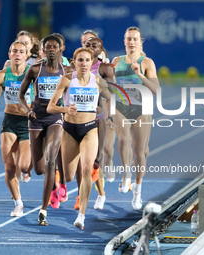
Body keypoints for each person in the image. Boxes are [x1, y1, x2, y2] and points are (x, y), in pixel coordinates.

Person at [47, 47, 111, 229]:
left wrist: (109, 115)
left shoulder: (98, 81)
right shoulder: (67, 80)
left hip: (90, 129)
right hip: (69, 130)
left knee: (85, 170)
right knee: (68, 175)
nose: (83, 64)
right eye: (80, 60)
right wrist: (65, 109)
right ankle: (64, 184)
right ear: (74, 62)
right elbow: (51, 107)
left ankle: (81, 215)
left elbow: (110, 99)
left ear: (92, 63)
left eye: (87, 60)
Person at [18, 35, 72, 226]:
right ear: (42, 49)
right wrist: (28, 110)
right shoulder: (34, 69)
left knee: (50, 161)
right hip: (36, 117)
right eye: (47, 46)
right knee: (39, 169)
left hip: (55, 117)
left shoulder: (67, 71)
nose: (50, 49)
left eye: (54, 46)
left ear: (60, 50)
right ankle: (51, 179)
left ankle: (43, 211)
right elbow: (21, 94)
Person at [0, 41, 33, 217]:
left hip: (27, 123)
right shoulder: (2, 75)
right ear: (9, 54)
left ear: (27, 55)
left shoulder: (33, 75)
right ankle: (18, 203)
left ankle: (29, 168)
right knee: (9, 167)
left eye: (21, 52)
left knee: (24, 166)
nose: (17, 54)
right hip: (9, 121)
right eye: (14, 51)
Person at [111, 27, 159, 210]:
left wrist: (139, 75)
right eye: (128, 39)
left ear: (141, 42)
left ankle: (137, 190)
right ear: (124, 41)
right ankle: (126, 175)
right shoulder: (116, 62)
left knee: (140, 152)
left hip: (142, 108)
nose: (131, 42)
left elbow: (156, 90)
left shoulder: (147, 62)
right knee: (123, 140)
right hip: (122, 108)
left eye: (135, 39)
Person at [73, 37, 115, 210]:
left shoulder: (104, 68)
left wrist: (111, 115)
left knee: (97, 158)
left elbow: (112, 92)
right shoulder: (77, 65)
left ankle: (101, 193)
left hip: (99, 116)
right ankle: (81, 194)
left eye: (94, 46)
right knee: (81, 159)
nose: (90, 48)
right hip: (80, 116)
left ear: (100, 50)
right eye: (87, 45)